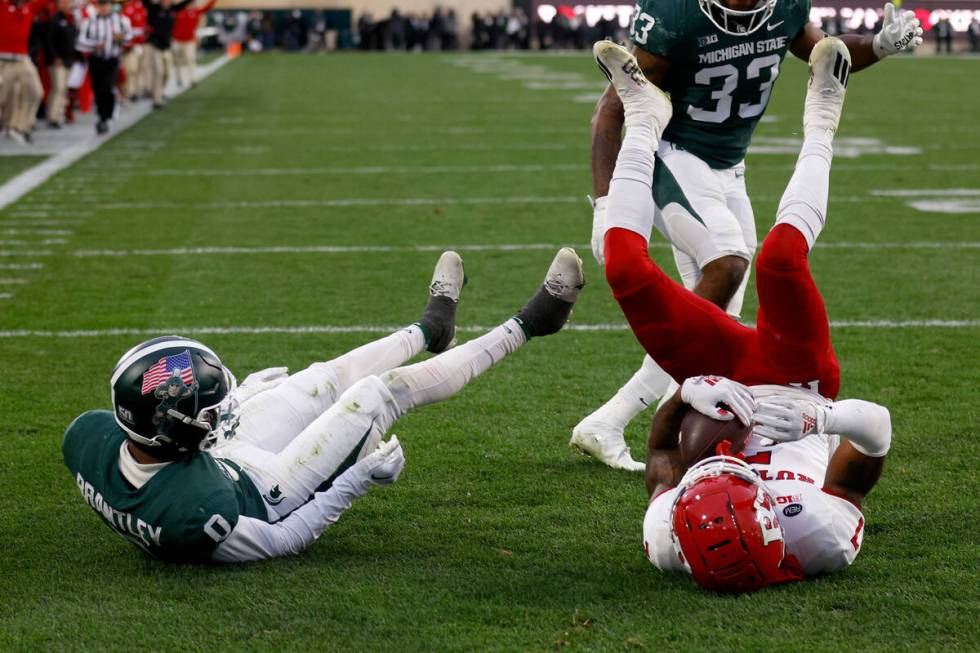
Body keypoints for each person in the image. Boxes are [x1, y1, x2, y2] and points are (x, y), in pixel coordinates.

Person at [593, 39, 891, 592]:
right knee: (779, 258)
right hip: (799, 381)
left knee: (625, 273)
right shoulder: (820, 536)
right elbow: (877, 431)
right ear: (769, 515)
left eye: (708, 470)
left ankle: (643, 117)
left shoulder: (669, 537)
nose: (732, 454)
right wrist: (820, 420)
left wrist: (685, 396)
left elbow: (661, 451)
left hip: (719, 376)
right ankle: (824, 116)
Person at [572, 1, 922, 471]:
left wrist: (878, 47)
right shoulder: (678, 13)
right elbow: (613, 106)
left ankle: (610, 423)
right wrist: (604, 205)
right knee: (728, 260)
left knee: (718, 321)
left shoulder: (785, 8)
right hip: (672, 153)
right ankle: (646, 422)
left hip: (728, 169)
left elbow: (828, 58)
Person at [62, 250, 585, 563]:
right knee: (376, 394)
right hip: (262, 494)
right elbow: (285, 539)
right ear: (175, 432)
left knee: (321, 380)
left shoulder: (89, 438)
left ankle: (432, 327)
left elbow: (168, 437)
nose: (222, 405)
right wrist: (353, 482)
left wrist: (236, 402)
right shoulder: (199, 517)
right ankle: (530, 324)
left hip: (215, 459)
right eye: (210, 409)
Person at [77, 0, 132, 134]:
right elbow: (80, 42)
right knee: (98, 88)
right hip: (96, 59)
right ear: (97, 6)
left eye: (106, 4)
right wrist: (94, 45)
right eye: (101, 5)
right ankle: (103, 115)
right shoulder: (89, 21)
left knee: (108, 86)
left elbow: (129, 37)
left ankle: (105, 116)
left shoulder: (121, 20)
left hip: (112, 58)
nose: (104, 7)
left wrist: (121, 38)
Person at [0, 0, 48, 143]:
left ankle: (22, 127)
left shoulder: (29, 7)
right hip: (2, 59)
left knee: (35, 91)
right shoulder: (3, 6)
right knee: (4, 95)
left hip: (22, 59)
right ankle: (8, 126)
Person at [143, 0, 192, 108]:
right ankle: (156, 99)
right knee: (158, 72)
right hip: (155, 46)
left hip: (167, 46)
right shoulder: (154, 8)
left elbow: (184, 4)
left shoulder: (172, 9)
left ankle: (159, 92)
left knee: (167, 74)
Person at [45, 0, 77, 128]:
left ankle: (59, 115)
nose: (66, 4)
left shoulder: (71, 19)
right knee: (58, 88)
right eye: (63, 2)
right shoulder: (55, 20)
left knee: (63, 89)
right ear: (58, 4)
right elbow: (48, 41)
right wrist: (55, 57)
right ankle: (53, 117)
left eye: (68, 2)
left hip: (68, 59)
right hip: (58, 61)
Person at [171, 0, 214, 87]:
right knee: (177, 61)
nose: (193, 5)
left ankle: (192, 79)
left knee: (191, 59)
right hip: (177, 40)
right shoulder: (178, 12)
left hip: (189, 41)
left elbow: (206, 8)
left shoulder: (195, 12)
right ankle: (179, 78)